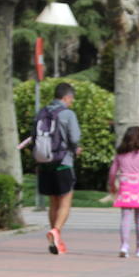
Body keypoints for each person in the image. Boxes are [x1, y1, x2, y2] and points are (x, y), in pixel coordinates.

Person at [38, 82, 82, 255]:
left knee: (53, 201)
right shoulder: (67, 114)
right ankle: (56, 231)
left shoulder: (42, 112)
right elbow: (75, 137)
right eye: (71, 99)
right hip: (63, 161)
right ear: (67, 97)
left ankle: (54, 239)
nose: (71, 103)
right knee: (65, 200)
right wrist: (75, 148)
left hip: (45, 161)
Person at [108, 126, 139, 258]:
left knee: (125, 217)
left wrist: (112, 185)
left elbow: (112, 172)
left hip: (125, 188)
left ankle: (124, 245)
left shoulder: (120, 155)